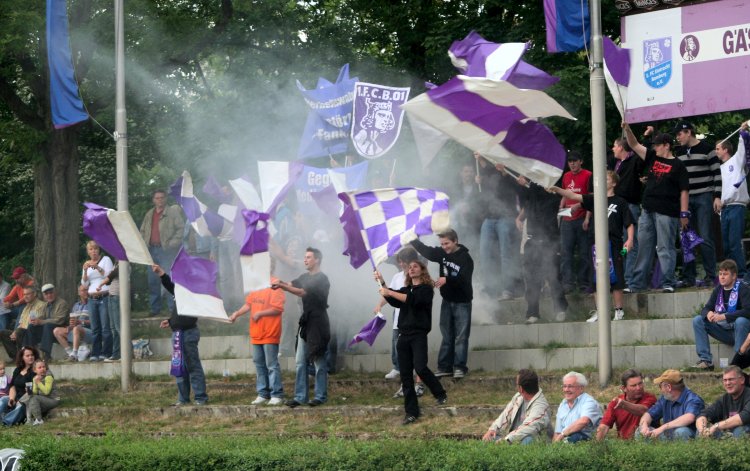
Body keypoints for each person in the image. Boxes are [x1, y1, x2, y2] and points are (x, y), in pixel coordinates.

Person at [549, 171, 634, 322]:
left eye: (607, 179)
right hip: (595, 244)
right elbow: (573, 195)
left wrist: (630, 240)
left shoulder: (620, 202)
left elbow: (629, 223)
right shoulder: (595, 199)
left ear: (614, 183)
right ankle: (600, 311)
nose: (603, 181)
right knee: (595, 279)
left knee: (615, 278)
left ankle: (618, 310)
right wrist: (557, 189)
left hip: (614, 244)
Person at [622, 123, 690, 293]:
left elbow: (684, 191)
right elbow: (634, 145)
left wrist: (684, 213)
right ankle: (637, 284)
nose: (655, 148)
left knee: (664, 247)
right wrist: (628, 129)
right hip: (647, 210)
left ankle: (668, 282)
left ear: (667, 145)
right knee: (644, 247)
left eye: (658, 145)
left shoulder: (678, 166)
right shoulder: (653, 156)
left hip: (667, 212)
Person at [379, 259, 447, 425]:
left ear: (422, 270)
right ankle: (411, 412)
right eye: (410, 267)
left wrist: (390, 292)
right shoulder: (405, 289)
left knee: (421, 367)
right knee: (405, 376)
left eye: (415, 266)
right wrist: (381, 282)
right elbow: (394, 300)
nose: (412, 269)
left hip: (418, 335)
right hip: (403, 335)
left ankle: (440, 393)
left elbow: (411, 299)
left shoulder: (426, 289)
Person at [411, 229, 474, 378]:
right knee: (447, 335)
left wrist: (447, 280)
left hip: (463, 302)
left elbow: (465, 279)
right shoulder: (441, 253)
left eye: (447, 243)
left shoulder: (465, 258)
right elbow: (426, 251)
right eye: (442, 244)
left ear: (455, 241)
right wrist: (412, 239)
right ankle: (444, 366)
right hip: (447, 301)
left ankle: (459, 367)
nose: (444, 247)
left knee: (461, 336)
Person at [273, 247, 331, 408]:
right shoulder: (304, 276)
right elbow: (292, 283)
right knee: (300, 361)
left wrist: (283, 287)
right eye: (304, 257)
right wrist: (278, 283)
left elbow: (301, 292)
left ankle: (320, 396)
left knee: (318, 361)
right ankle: (300, 397)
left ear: (317, 260)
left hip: (318, 323)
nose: (305, 260)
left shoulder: (322, 279)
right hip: (306, 322)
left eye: (308, 257)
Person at [674, 121, 721, 287]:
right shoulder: (678, 153)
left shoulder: (707, 149)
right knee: (687, 237)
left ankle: (710, 275)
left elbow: (717, 173)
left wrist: (717, 196)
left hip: (704, 196)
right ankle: (689, 277)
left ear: (688, 132)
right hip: (685, 199)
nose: (677, 138)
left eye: (679, 134)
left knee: (705, 236)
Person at [153, 264, 208, 406]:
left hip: (189, 333)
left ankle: (200, 397)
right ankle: (183, 398)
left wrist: (162, 274)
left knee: (193, 366)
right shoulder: (181, 291)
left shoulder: (194, 291)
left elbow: (189, 317)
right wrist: (171, 321)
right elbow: (171, 288)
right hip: (177, 333)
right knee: (179, 366)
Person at [516, 177, 569, 323]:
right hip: (532, 240)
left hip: (550, 240)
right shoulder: (531, 193)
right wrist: (519, 218)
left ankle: (560, 309)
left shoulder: (552, 192)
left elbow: (554, 198)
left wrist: (531, 185)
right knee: (532, 279)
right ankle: (532, 313)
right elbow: (526, 203)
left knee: (553, 277)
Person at [229, 271, 285, 406]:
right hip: (256, 332)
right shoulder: (256, 285)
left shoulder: (275, 283)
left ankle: (276, 394)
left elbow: (278, 308)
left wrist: (260, 313)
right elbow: (248, 304)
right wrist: (236, 313)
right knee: (259, 364)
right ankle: (263, 393)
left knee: (271, 365)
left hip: (270, 331)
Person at [690, 259, 750, 371]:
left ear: (734, 276)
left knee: (741, 321)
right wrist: (709, 313)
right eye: (720, 274)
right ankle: (706, 361)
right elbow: (706, 308)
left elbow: (748, 311)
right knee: (698, 320)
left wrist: (724, 316)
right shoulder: (718, 289)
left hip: (741, 332)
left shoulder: (743, 288)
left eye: (725, 274)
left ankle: (737, 363)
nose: (722, 277)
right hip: (724, 332)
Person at [475, 154, 520, 300]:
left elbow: (518, 187)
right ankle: (489, 289)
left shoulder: (512, 170)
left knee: (506, 254)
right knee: (485, 254)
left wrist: (505, 172)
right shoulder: (489, 170)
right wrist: (480, 159)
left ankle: (508, 289)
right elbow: (486, 170)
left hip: (506, 217)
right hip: (489, 218)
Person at [373, 247, 420, 381]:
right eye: (399, 261)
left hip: (412, 317)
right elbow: (388, 292)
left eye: (403, 261)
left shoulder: (418, 277)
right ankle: (397, 367)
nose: (401, 264)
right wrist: (379, 305)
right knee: (396, 342)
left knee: (412, 344)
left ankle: (413, 368)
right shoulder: (397, 277)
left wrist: (392, 294)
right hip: (398, 315)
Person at [140, 189, 185, 316]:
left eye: (161, 197)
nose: (159, 200)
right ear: (153, 200)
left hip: (166, 251)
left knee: (168, 279)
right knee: (152, 280)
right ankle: (155, 309)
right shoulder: (149, 214)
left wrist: (172, 244)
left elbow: (181, 229)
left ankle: (172, 309)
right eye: (157, 198)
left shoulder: (172, 212)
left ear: (165, 199)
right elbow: (143, 230)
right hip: (151, 250)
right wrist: (144, 244)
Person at [481, 369, 551, 444]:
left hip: (531, 441)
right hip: (512, 438)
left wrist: (506, 440)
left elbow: (527, 427)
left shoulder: (540, 406)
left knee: (528, 440)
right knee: (491, 437)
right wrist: (493, 429)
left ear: (521, 388)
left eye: (517, 384)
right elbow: (505, 415)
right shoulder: (518, 397)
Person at [612, 136, 647, 286]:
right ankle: (622, 275)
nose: (612, 148)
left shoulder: (634, 161)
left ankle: (630, 279)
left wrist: (646, 136)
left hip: (630, 207)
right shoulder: (618, 163)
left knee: (630, 243)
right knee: (622, 246)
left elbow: (644, 154)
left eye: (614, 145)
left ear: (621, 147)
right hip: (618, 207)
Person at [716, 123, 749, 279]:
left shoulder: (736, 160)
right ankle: (731, 275)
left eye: (718, 148)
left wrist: (742, 131)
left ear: (726, 149)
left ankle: (742, 275)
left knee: (735, 243)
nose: (716, 151)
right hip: (724, 209)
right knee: (727, 245)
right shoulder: (719, 169)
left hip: (736, 206)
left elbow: (742, 148)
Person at [558, 152, 593, 293]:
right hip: (567, 219)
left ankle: (584, 283)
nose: (572, 164)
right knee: (566, 253)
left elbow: (591, 198)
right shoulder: (566, 176)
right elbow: (565, 194)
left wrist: (587, 218)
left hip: (582, 217)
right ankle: (568, 283)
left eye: (575, 161)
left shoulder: (588, 175)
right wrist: (561, 208)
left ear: (581, 161)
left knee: (584, 253)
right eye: (570, 161)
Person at [638, 369, 704, 440]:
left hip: (688, 439)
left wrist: (663, 427)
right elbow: (649, 414)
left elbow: (690, 417)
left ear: (668, 387)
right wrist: (644, 425)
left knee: (681, 432)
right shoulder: (665, 398)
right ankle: (650, 451)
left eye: (660, 386)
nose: (660, 390)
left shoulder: (693, 399)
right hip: (667, 437)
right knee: (640, 431)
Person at [596, 369, 657, 440]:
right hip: (623, 445)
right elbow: (603, 426)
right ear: (623, 388)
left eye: (640, 383)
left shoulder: (650, 398)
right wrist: (597, 447)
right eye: (633, 385)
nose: (638, 388)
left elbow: (643, 411)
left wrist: (624, 404)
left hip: (646, 443)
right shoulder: (615, 402)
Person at [696, 365, 750, 438]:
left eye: (731, 379)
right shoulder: (724, 399)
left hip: (742, 433)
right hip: (729, 435)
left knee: (740, 431)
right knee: (700, 431)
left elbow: (744, 416)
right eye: (725, 380)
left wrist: (716, 426)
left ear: (742, 380)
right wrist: (702, 430)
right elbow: (704, 414)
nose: (727, 383)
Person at [81, 240, 113, 362]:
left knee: (105, 327)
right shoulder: (87, 264)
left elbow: (109, 276)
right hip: (91, 298)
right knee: (95, 328)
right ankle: (96, 352)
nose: (93, 251)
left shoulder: (105, 260)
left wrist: (98, 267)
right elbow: (84, 284)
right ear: (88, 252)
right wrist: (84, 271)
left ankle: (106, 352)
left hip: (104, 296)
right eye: (91, 249)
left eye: (95, 249)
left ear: (99, 250)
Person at [552, 371, 602, 443]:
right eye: (564, 386)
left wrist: (563, 434)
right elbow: (557, 432)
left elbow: (583, 422)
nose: (566, 390)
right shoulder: (563, 404)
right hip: (566, 440)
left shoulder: (589, 402)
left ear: (581, 388)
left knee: (575, 436)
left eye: (570, 386)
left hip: (586, 442)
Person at [0, 287, 47, 359]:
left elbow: (34, 322)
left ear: (34, 294)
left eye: (28, 294)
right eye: (24, 294)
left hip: (35, 332)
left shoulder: (41, 305)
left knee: (19, 331)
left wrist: (17, 331)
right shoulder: (25, 307)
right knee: (3, 332)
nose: (25, 296)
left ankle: (22, 356)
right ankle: (16, 357)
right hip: (22, 331)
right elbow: (21, 323)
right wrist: (14, 332)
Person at [2, 346, 41, 426]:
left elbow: (32, 392)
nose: (30, 357)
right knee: (3, 399)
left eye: (32, 355)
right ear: (22, 357)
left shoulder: (36, 370)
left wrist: (21, 401)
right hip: (16, 398)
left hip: (28, 400)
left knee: (21, 407)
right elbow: (12, 386)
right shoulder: (17, 370)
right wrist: (12, 399)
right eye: (27, 356)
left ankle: (5, 423)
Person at [53, 285, 93, 361]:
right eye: (83, 290)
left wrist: (80, 322)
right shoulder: (76, 305)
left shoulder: (92, 304)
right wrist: (70, 326)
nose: (86, 292)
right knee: (57, 330)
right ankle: (70, 353)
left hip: (89, 332)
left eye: (87, 290)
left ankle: (75, 353)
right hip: (76, 331)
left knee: (76, 328)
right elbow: (73, 320)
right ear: (79, 293)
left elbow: (95, 322)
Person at [19, 359, 59, 425]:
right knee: (29, 398)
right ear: (35, 370)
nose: (42, 369)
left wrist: (38, 382)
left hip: (53, 400)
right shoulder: (35, 378)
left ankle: (39, 420)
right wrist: (29, 391)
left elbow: (46, 391)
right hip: (43, 399)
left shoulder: (48, 377)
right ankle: (29, 420)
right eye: (39, 367)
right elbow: (34, 392)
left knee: (34, 398)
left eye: (43, 367)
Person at [36, 283, 69, 360]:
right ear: (43, 296)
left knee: (48, 325)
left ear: (55, 293)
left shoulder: (62, 303)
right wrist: (36, 321)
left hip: (60, 329)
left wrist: (41, 322)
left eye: (51, 293)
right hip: (47, 331)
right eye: (46, 294)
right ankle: (28, 352)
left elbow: (59, 320)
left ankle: (46, 354)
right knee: (32, 327)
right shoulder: (45, 305)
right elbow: (41, 317)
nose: (49, 295)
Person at [99, 263, 122, 362]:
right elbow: (110, 280)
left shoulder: (123, 263)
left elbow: (110, 276)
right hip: (112, 296)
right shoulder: (116, 264)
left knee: (118, 327)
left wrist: (100, 284)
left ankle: (128, 352)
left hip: (117, 296)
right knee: (113, 328)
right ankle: (116, 354)